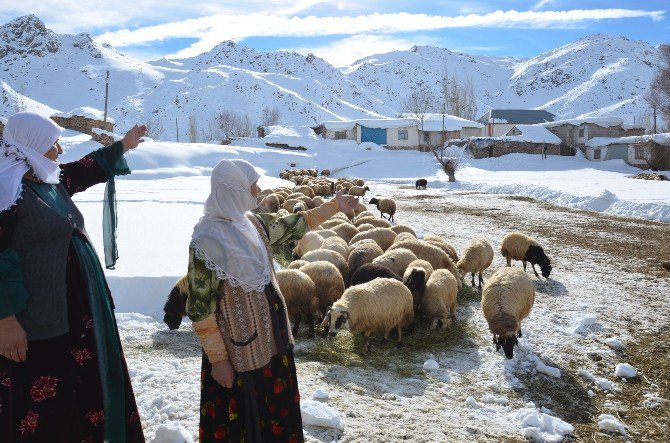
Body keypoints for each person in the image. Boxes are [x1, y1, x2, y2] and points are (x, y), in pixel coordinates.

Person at [186, 159, 358, 442]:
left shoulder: (251, 223)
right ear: (235, 189)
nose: (258, 189)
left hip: (273, 341)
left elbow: (293, 226)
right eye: (252, 184)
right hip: (237, 353)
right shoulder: (207, 241)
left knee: (276, 414)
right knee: (245, 419)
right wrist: (218, 361)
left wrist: (334, 206)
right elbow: (200, 309)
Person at [0, 112, 147, 442]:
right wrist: (5, 320)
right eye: (54, 143)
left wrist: (122, 146)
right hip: (38, 322)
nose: (60, 149)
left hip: (76, 314)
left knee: (80, 392)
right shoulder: (7, 191)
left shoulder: (45, 179)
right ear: (32, 145)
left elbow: (84, 170)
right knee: (46, 403)